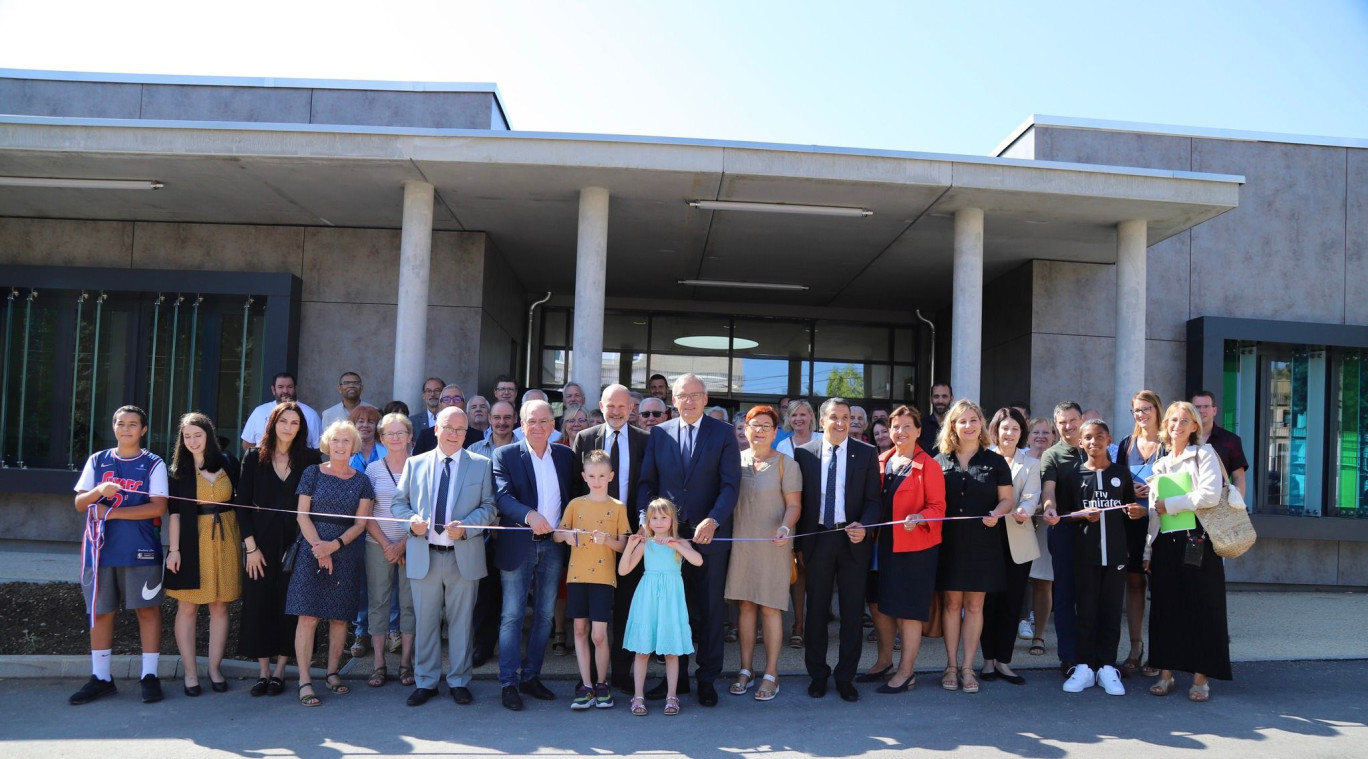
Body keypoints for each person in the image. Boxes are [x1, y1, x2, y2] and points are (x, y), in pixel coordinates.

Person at [636, 373, 741, 707]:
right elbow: (647, 483)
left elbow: (730, 485)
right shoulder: (660, 434)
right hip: (669, 539)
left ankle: (707, 679)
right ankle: (676, 681)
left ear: (706, 398)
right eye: (683, 395)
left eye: (695, 394)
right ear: (674, 400)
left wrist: (714, 518)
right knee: (674, 610)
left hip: (710, 536)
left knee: (710, 610)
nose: (689, 401)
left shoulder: (723, 434)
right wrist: (645, 520)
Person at [391, 407, 497, 707]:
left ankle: (459, 681)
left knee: (462, 623)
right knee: (425, 622)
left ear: (468, 433)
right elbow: (398, 505)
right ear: (436, 429)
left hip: (462, 555)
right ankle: (426, 681)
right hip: (424, 554)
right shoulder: (415, 464)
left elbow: (490, 507)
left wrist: (467, 528)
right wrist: (411, 521)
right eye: (449, 428)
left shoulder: (481, 464)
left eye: (461, 430)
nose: (454, 434)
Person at [68, 405, 169, 706]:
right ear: (113, 427)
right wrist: (99, 490)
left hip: (140, 550)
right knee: (99, 612)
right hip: (99, 551)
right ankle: (101, 678)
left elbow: (158, 507)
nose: (126, 429)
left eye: (133, 424)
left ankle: (149, 676)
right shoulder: (97, 460)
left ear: (143, 430)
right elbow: (79, 503)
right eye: (121, 424)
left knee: (147, 611)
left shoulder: (153, 463)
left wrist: (111, 513)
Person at [1145, 401, 1236, 702]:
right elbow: (1153, 514)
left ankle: (1201, 679)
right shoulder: (1160, 463)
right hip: (1165, 545)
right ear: (1165, 425)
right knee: (1166, 610)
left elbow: (1209, 495)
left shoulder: (1204, 454)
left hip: (1199, 542)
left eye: (1185, 420)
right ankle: (1166, 674)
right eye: (1172, 420)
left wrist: (1170, 504)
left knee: (1202, 609)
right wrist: (1147, 550)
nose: (1177, 425)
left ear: (1195, 426)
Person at [1046, 419, 1143, 696]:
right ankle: (1085, 666)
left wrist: (1138, 512)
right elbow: (1064, 515)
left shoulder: (1122, 474)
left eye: (1099, 437)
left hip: (1115, 555)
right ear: (1080, 442)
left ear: (1109, 439)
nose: (1093, 442)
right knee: (1085, 611)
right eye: (1088, 437)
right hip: (1085, 555)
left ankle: (1107, 667)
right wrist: (1079, 516)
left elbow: (1129, 508)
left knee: (1111, 612)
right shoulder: (1073, 476)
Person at [794, 397, 880, 702]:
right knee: (816, 611)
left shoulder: (867, 454)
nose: (841, 422)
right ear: (822, 421)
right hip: (817, 540)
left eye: (846, 417)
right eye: (834, 417)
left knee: (852, 613)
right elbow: (798, 503)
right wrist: (798, 544)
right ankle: (818, 675)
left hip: (852, 540)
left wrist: (865, 526)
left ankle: (846, 677)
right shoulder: (803, 454)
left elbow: (874, 501)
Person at [491, 399, 575, 711]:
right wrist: (529, 516)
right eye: (531, 421)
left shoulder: (566, 456)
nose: (537, 427)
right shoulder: (506, 454)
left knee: (544, 615)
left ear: (553, 426)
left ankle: (531, 676)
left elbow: (575, 496)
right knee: (512, 615)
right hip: (519, 544)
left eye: (543, 421)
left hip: (554, 545)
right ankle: (508, 682)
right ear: (521, 425)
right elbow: (501, 496)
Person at [286, 420, 375, 707]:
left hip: (345, 551)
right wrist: (320, 550)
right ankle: (304, 680)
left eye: (346, 441)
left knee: (339, 617)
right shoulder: (312, 473)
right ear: (327, 443)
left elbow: (361, 524)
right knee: (308, 616)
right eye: (335, 440)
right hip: (311, 550)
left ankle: (333, 673)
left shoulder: (362, 481)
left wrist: (334, 547)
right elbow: (302, 515)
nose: (340, 446)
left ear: (353, 446)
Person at [570, 384, 650, 694]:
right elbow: (574, 489)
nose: (616, 412)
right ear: (601, 406)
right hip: (591, 543)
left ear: (631, 408)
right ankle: (589, 677)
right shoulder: (585, 438)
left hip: (629, 536)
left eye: (622, 406)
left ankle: (620, 672)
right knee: (591, 614)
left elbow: (649, 484)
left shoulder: (645, 440)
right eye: (610, 406)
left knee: (627, 607)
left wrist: (643, 523)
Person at [934, 399, 1013, 694]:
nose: (969, 425)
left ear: (981, 424)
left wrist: (998, 513)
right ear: (952, 426)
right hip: (949, 542)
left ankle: (968, 668)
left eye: (974, 420)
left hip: (983, 540)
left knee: (975, 604)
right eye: (962, 421)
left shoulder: (995, 461)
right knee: (952, 604)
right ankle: (950, 666)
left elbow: (1007, 499)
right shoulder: (939, 460)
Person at [723, 406, 800, 703]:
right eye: (753, 425)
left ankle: (771, 673)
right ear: (744, 429)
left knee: (770, 608)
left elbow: (794, 505)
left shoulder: (786, 464)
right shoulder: (734, 461)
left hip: (774, 544)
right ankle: (746, 669)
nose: (758, 430)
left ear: (775, 430)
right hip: (742, 544)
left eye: (766, 425)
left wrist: (785, 526)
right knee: (744, 606)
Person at [236, 401, 313, 697]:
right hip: (260, 543)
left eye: (294, 423)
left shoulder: (309, 458)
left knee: (288, 605)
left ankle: (281, 670)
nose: (288, 427)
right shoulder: (254, 458)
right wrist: (251, 548)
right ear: (272, 423)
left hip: (296, 543)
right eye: (284, 421)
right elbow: (242, 507)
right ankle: (263, 672)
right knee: (258, 604)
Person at [868, 405, 944, 694]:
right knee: (881, 605)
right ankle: (884, 662)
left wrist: (920, 517)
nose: (900, 432)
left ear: (919, 430)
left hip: (915, 548)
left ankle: (906, 672)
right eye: (895, 427)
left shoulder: (930, 465)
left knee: (908, 610)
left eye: (907, 426)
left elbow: (938, 507)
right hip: (881, 545)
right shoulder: (881, 460)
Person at [165, 412, 241, 697]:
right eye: (187, 436)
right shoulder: (178, 471)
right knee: (188, 606)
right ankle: (190, 672)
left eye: (198, 435)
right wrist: (174, 551)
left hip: (227, 538)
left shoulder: (229, 463)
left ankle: (214, 669)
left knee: (220, 605)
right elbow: (174, 514)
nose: (192, 441)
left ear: (208, 435)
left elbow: (241, 502)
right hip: (191, 541)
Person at [555, 451, 630, 709]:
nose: (596, 480)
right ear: (584, 476)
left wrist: (607, 540)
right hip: (577, 576)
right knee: (579, 630)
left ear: (610, 476)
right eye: (592, 476)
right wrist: (567, 536)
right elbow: (557, 534)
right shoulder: (575, 504)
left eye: (601, 476)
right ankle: (586, 685)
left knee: (599, 635)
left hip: (603, 578)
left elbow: (623, 545)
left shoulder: (618, 507)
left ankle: (601, 683)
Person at [620, 498, 703, 717]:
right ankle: (638, 696)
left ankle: (672, 696)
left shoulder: (679, 542)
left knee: (671, 651)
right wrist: (629, 547)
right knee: (642, 650)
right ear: (648, 520)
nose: (658, 522)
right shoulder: (645, 543)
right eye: (654, 518)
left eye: (663, 517)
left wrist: (677, 545)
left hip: (671, 599)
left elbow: (698, 561)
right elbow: (623, 570)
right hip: (648, 596)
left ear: (671, 520)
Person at [979, 407, 1041, 687]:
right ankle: (987, 660)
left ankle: (1004, 661)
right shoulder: (984, 459)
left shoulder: (1030, 463)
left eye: (1015, 429)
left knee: (1012, 603)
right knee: (986, 603)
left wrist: (1025, 510)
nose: (1010, 433)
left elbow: (1032, 497)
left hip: (1018, 537)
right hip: (986, 540)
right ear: (996, 430)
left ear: (1021, 432)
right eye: (1005, 428)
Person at [362, 413, 418, 690]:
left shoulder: (421, 467)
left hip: (413, 545)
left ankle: (406, 662)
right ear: (381, 439)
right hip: (378, 546)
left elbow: (425, 512)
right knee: (379, 603)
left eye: (400, 433)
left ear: (410, 436)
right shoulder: (372, 470)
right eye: (389, 434)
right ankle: (379, 663)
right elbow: (367, 514)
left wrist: (403, 544)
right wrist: (387, 545)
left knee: (410, 604)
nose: (395, 438)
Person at [1116, 390, 1165, 678]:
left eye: (1146, 409)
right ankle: (1135, 648)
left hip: (1161, 523)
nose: (1141, 414)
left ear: (1158, 410)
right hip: (1131, 523)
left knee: (1161, 590)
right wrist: (1127, 490)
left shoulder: (1170, 444)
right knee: (1133, 585)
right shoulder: (1126, 444)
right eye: (1136, 410)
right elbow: (1115, 482)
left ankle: (1161, 651)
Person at [1039, 401, 1086, 676]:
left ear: (1081, 419)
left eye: (1073, 420)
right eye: (1062, 422)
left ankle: (1093, 655)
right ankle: (1068, 657)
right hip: (1065, 531)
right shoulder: (1052, 455)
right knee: (1066, 596)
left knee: (1092, 595)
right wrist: (1049, 507)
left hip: (1095, 533)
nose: (1068, 427)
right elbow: (1048, 488)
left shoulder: (1096, 448)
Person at [346, 403, 387, 657]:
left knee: (387, 584)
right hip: (353, 530)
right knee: (361, 584)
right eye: (360, 421)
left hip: (383, 529)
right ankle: (362, 632)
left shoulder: (388, 451)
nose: (365, 425)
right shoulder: (345, 451)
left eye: (370, 421)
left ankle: (391, 629)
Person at [774, 397, 815, 647]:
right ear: (788, 418)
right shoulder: (781, 445)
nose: (798, 419)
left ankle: (815, 622)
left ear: (811, 416)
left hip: (818, 515)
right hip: (791, 513)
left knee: (816, 571)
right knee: (796, 571)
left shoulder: (823, 440)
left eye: (803, 414)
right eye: (793, 415)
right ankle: (798, 624)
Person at [1024, 416, 1056, 654]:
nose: (1041, 437)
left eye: (1046, 433)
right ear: (1028, 436)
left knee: (1042, 582)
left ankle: (1039, 636)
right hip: (1020, 526)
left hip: (1045, 526)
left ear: (1053, 437)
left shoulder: (1057, 461)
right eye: (1036, 432)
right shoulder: (1019, 460)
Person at [240, 372, 322, 450]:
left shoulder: (310, 415)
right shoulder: (259, 412)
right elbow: (247, 443)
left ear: (295, 389)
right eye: (280, 387)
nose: (285, 391)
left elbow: (319, 448)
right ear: (273, 389)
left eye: (289, 387)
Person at [1192, 391, 1249, 500]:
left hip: (1219, 507)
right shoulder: (1184, 439)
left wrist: (1238, 503)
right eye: (1197, 407)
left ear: (1214, 410)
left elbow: (1239, 477)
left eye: (1206, 406)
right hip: (1187, 504)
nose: (1201, 410)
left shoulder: (1231, 440)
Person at [412, 384, 466, 455]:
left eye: (457, 399)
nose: (451, 403)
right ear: (440, 405)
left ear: (464, 404)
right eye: (446, 399)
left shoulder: (477, 436)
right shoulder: (425, 436)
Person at [918, 382, 953, 452]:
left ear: (951, 398)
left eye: (944, 396)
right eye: (936, 396)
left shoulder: (957, 426)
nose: (940, 401)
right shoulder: (921, 426)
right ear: (931, 399)